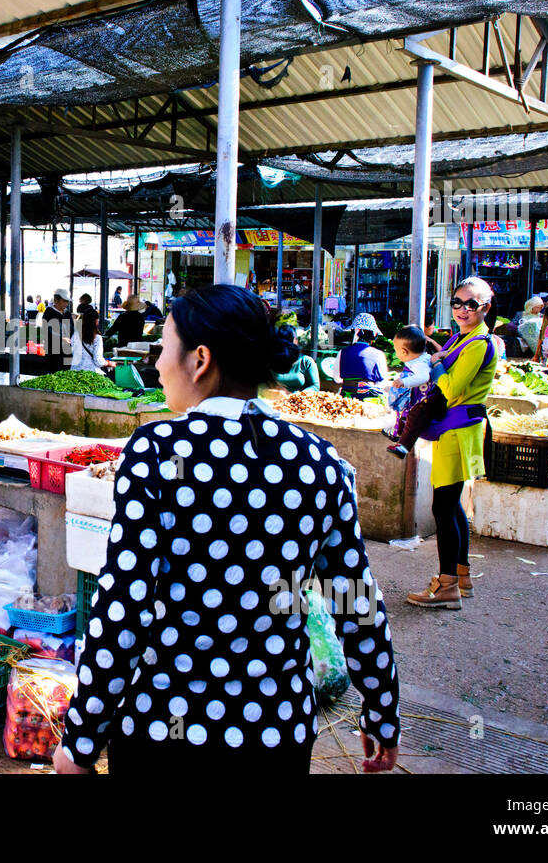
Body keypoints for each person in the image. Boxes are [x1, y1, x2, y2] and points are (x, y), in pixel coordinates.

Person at [53, 284, 399, 774]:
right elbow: (355, 602)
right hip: (275, 733)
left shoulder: (157, 452)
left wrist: (81, 739)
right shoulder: (321, 463)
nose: (155, 364)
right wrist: (383, 713)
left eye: (163, 347)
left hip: (163, 729)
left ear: (200, 359)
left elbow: (123, 606)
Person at [406, 277, 499, 609]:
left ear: (485, 308)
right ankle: (461, 577)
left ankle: (446, 587)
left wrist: (435, 365)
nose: (462, 309)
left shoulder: (477, 343)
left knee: (443, 507)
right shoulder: (465, 338)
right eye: (457, 302)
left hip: (458, 430)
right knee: (453, 505)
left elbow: (454, 389)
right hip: (459, 429)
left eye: (470, 304)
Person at [383, 325, 441, 453]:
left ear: (404, 352)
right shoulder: (421, 358)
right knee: (405, 414)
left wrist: (404, 382)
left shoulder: (420, 363)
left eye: (396, 350)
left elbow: (423, 377)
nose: (395, 352)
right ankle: (396, 433)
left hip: (425, 402)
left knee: (413, 419)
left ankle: (403, 446)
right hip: (421, 398)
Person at [335, 313, 388, 399]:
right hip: (370, 401)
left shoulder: (342, 352)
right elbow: (383, 382)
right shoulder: (378, 354)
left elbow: (337, 379)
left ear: (357, 331)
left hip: (347, 400)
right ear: (374, 334)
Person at [271, 325, 319, 392]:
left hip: (298, 400)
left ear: (296, 341)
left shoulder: (306, 361)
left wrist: (296, 396)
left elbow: (315, 387)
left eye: (289, 342)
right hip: (272, 399)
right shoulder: (270, 361)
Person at [40, 289, 73, 372]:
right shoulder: (49, 313)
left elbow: (72, 328)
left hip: (67, 349)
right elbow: (47, 330)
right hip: (53, 351)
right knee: (55, 372)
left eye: (67, 301)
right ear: (56, 300)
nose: (66, 304)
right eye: (64, 301)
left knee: (67, 372)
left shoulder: (67, 313)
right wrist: (61, 338)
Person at [69, 309, 112, 374]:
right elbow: (98, 361)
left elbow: (72, 351)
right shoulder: (97, 338)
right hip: (91, 374)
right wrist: (109, 363)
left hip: (74, 372)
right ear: (96, 321)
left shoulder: (75, 335)